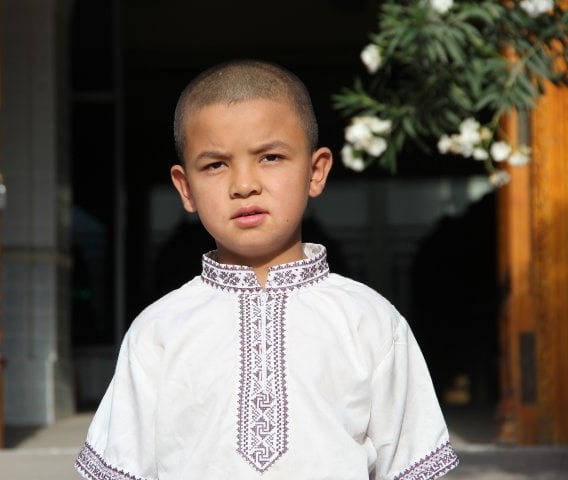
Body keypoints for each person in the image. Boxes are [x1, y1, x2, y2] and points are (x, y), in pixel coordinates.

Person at [75, 60, 459, 480]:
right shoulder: (159, 330)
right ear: (186, 188)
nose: (244, 185)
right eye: (216, 165)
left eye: (271, 157)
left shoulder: (369, 320)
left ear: (315, 171)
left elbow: (410, 465)